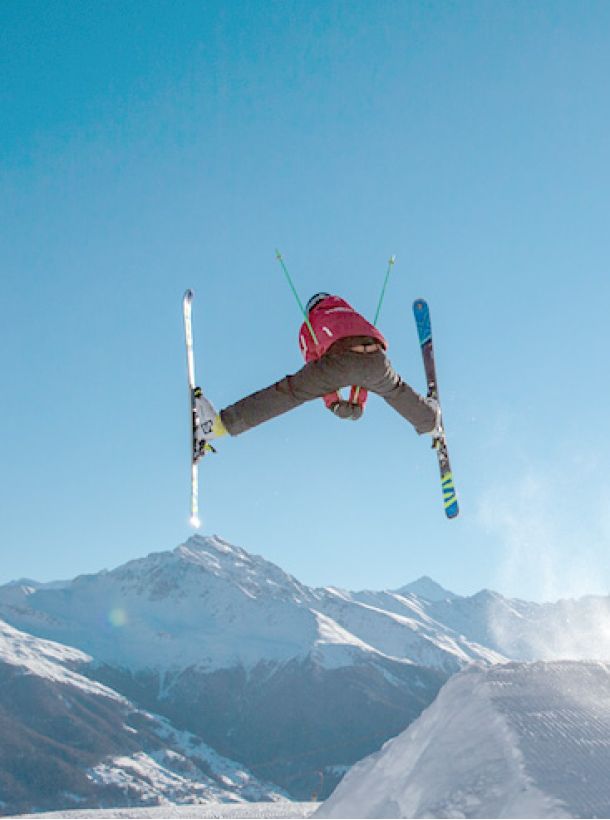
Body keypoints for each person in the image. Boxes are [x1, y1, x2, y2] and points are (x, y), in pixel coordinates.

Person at [192, 292, 440, 460]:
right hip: (377, 360)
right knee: (395, 390)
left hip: (339, 358)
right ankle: (430, 421)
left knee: (290, 391)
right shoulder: (352, 314)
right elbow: (362, 370)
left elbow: (316, 368)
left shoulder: (311, 323)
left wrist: (333, 403)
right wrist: (357, 403)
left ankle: (216, 426)